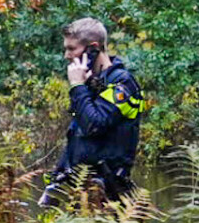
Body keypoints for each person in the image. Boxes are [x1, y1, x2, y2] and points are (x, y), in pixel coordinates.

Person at [43, 16, 146, 205]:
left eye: (72, 49)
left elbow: (94, 125)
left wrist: (77, 86)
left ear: (93, 48)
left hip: (109, 197)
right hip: (79, 192)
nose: (66, 55)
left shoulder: (123, 83)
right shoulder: (89, 84)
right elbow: (78, 137)